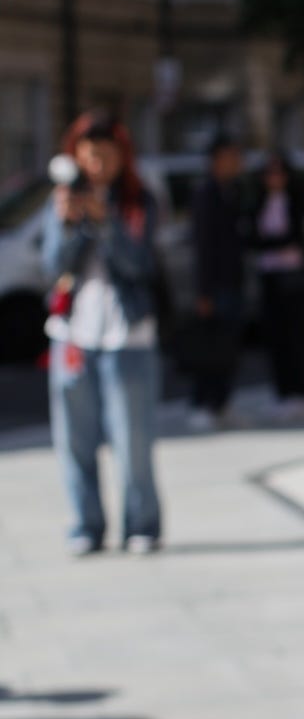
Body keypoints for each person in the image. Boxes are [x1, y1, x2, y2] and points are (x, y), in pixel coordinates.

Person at [41, 111, 164, 556]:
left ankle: (142, 524)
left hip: (126, 334)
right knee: (75, 439)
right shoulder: (62, 200)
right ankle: (86, 526)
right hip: (74, 332)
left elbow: (138, 264)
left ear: (120, 158)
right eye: (89, 155)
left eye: (105, 155)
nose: (96, 164)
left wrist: (105, 220)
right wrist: (71, 224)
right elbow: (54, 266)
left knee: (133, 439)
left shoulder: (137, 202)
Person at [245, 151, 304, 418]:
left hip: (292, 277)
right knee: (275, 337)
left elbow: (292, 237)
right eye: (269, 174)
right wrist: (273, 243)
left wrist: (271, 243)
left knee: (295, 336)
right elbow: (255, 239)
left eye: (279, 173)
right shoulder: (260, 202)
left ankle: (300, 392)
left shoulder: (294, 202)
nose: (274, 179)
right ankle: (283, 392)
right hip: (269, 276)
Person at [187, 133, 246, 431]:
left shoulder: (232, 191)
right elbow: (203, 245)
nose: (237, 163)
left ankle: (222, 402)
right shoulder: (205, 193)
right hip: (214, 283)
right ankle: (203, 403)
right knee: (209, 346)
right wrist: (203, 291)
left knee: (228, 346)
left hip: (233, 280)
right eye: (231, 156)